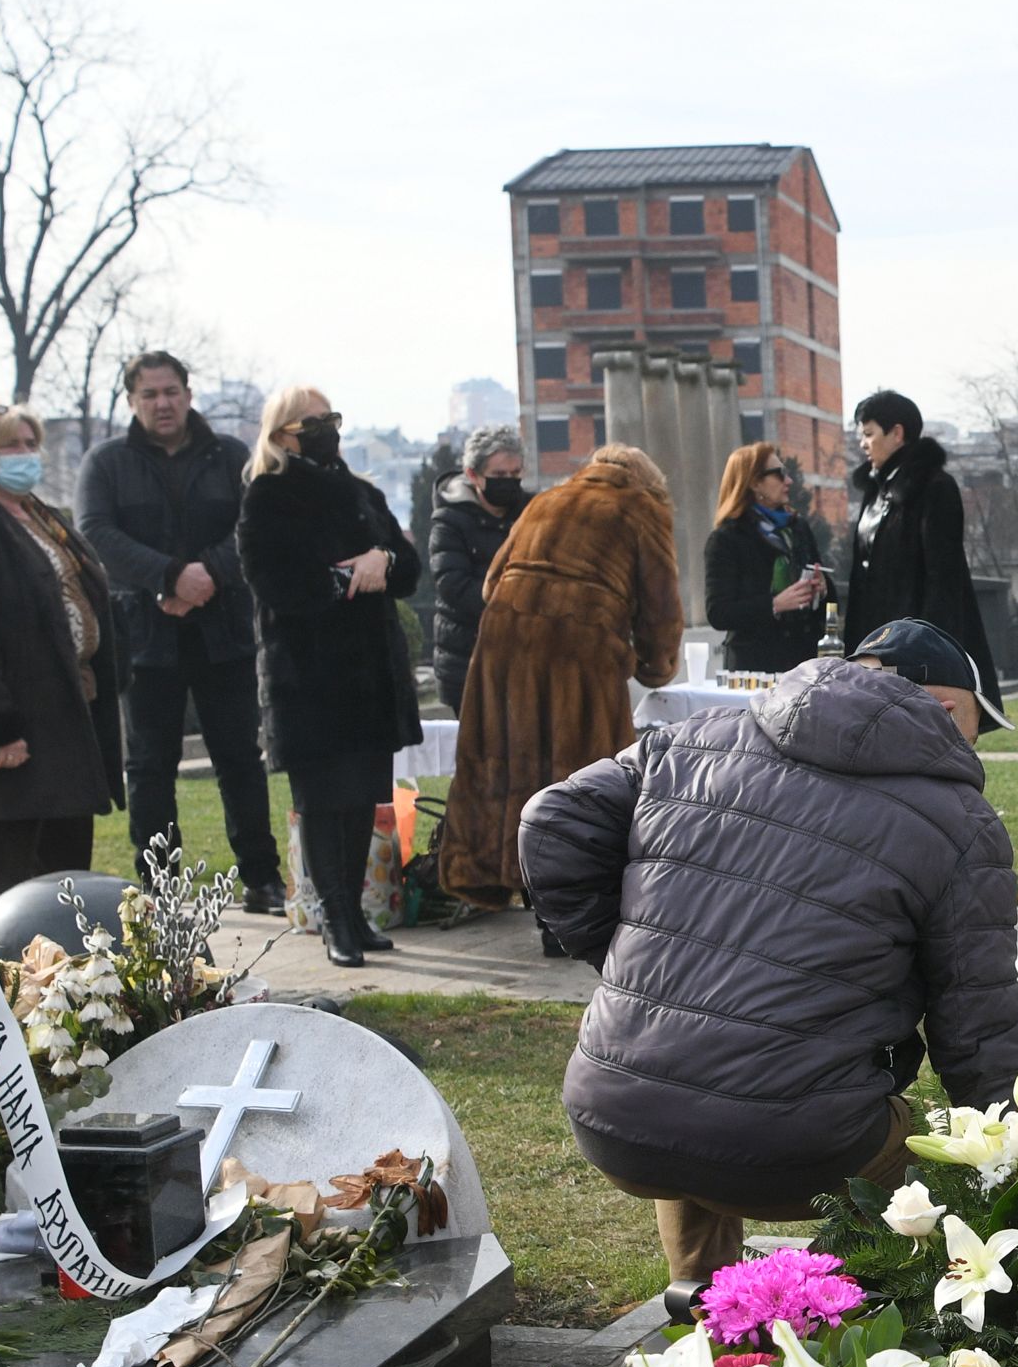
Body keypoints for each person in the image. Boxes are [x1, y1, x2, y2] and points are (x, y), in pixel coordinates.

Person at [522, 617, 1018, 1297]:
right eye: (974, 727)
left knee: (696, 1065)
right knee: (930, 1146)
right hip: (793, 1146)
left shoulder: (690, 739)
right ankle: (842, 1310)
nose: (973, 752)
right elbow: (980, 1038)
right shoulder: (960, 823)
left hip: (615, 1117)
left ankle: (707, 1304)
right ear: (944, 711)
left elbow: (550, 819)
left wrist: (630, 964)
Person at [433, 441, 685, 914]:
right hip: (580, 650)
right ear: (648, 480)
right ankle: (566, 911)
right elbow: (661, 607)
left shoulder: (546, 500)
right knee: (581, 776)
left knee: (514, 763)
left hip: (504, 643)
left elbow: (490, 584)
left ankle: (511, 877)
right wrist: (655, 665)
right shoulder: (641, 507)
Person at [76, 350, 283, 909]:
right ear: (132, 401)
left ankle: (262, 877)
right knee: (148, 767)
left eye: (171, 392)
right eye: (149, 394)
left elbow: (255, 527)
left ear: (189, 395)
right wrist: (168, 578)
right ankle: (160, 887)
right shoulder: (107, 463)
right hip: (145, 639)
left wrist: (206, 576)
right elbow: (95, 534)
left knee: (240, 758)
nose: (162, 403)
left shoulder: (231, 456)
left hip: (225, 634)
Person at [235, 386, 423, 969]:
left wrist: (384, 562)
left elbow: (407, 565)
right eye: (311, 423)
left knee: (362, 799)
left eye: (330, 419)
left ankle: (357, 911)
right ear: (282, 434)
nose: (325, 430)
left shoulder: (361, 491)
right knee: (323, 800)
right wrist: (348, 579)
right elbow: (276, 584)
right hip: (309, 678)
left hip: (370, 675)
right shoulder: (267, 498)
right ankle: (334, 915)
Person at [0, 401, 125, 916]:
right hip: (14, 735)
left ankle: (61, 986)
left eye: (31, 444)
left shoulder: (40, 516)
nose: (25, 455)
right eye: (11, 445)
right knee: (3, 881)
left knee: (65, 881)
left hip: (65, 718)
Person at [840, 390, 1004, 708]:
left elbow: (943, 577)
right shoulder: (875, 492)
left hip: (915, 640)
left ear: (897, 433)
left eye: (869, 434)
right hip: (875, 638)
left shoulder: (935, 487)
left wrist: (926, 650)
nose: (863, 443)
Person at [703, 443, 834, 674]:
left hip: (804, 664)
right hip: (754, 668)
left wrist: (822, 588)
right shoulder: (727, 539)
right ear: (753, 482)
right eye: (779, 473)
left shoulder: (798, 528)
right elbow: (718, 612)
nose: (789, 481)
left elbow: (829, 599)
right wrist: (775, 604)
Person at [422, 429, 526, 717]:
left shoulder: (533, 512)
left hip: (526, 660)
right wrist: (519, 601)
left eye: (515, 473)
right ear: (473, 474)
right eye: (499, 474)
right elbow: (453, 586)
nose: (508, 481)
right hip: (469, 663)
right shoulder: (449, 522)